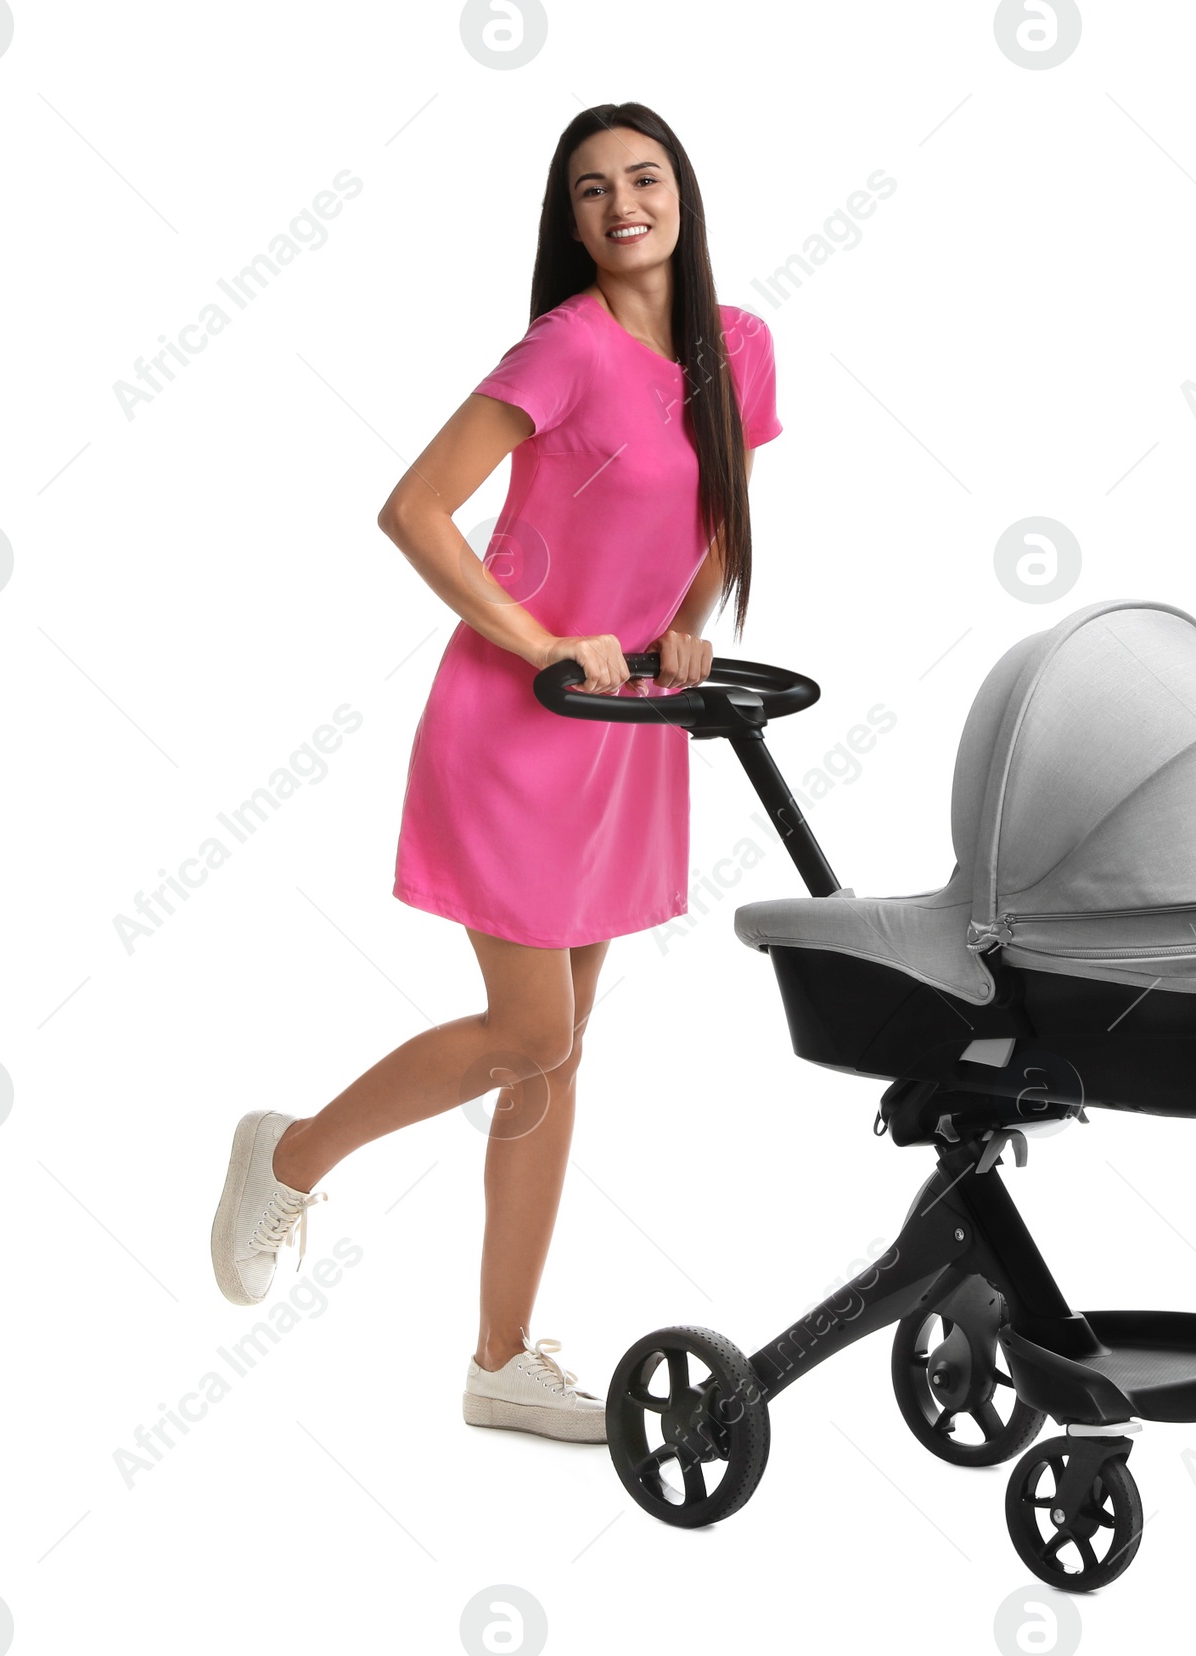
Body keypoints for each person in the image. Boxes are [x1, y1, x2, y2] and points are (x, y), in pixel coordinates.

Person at [207, 101, 782, 1444]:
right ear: (569, 219)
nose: (621, 204)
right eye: (591, 189)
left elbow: (721, 512)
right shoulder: (566, 348)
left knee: (560, 1057)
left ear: (683, 193)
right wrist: (543, 643)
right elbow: (413, 508)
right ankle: (285, 1159)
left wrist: (691, 620)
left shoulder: (739, 347)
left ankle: (502, 1361)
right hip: (515, 722)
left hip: (627, 730)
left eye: (643, 178)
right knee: (532, 1031)